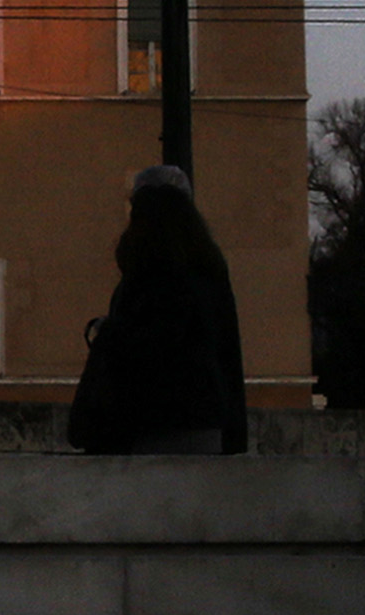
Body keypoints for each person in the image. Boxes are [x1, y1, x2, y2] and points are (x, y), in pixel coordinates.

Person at [69, 165, 250, 455]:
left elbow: (149, 347)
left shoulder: (143, 272)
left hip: (146, 425)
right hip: (204, 424)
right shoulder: (208, 271)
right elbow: (226, 352)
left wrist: (110, 334)